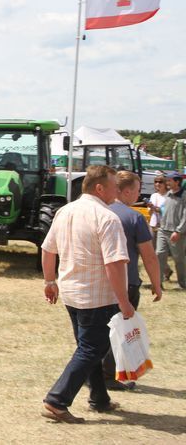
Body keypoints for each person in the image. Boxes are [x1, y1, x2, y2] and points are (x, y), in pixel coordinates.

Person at [40, 165, 133, 424]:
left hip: (71, 293)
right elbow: (114, 264)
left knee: (89, 348)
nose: (118, 190)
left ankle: (99, 399)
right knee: (92, 349)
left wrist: (50, 281)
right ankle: (57, 400)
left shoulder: (65, 211)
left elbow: (48, 249)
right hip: (98, 297)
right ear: (100, 188)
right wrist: (125, 303)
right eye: (114, 186)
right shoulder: (107, 218)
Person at [101, 170, 162, 390]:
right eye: (137, 190)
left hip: (100, 283)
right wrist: (157, 284)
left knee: (100, 331)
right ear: (127, 191)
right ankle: (109, 377)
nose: (139, 193)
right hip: (127, 282)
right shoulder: (134, 217)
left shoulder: (100, 211)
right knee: (120, 332)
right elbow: (149, 256)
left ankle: (99, 376)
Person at [156, 171, 186, 288]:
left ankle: (183, 283)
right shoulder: (168, 194)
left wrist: (179, 231)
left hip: (176, 232)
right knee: (159, 254)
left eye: (169, 180)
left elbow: (185, 216)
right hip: (163, 230)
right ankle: (158, 283)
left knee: (179, 258)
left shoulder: (183, 196)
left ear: (177, 182)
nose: (167, 182)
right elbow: (165, 211)